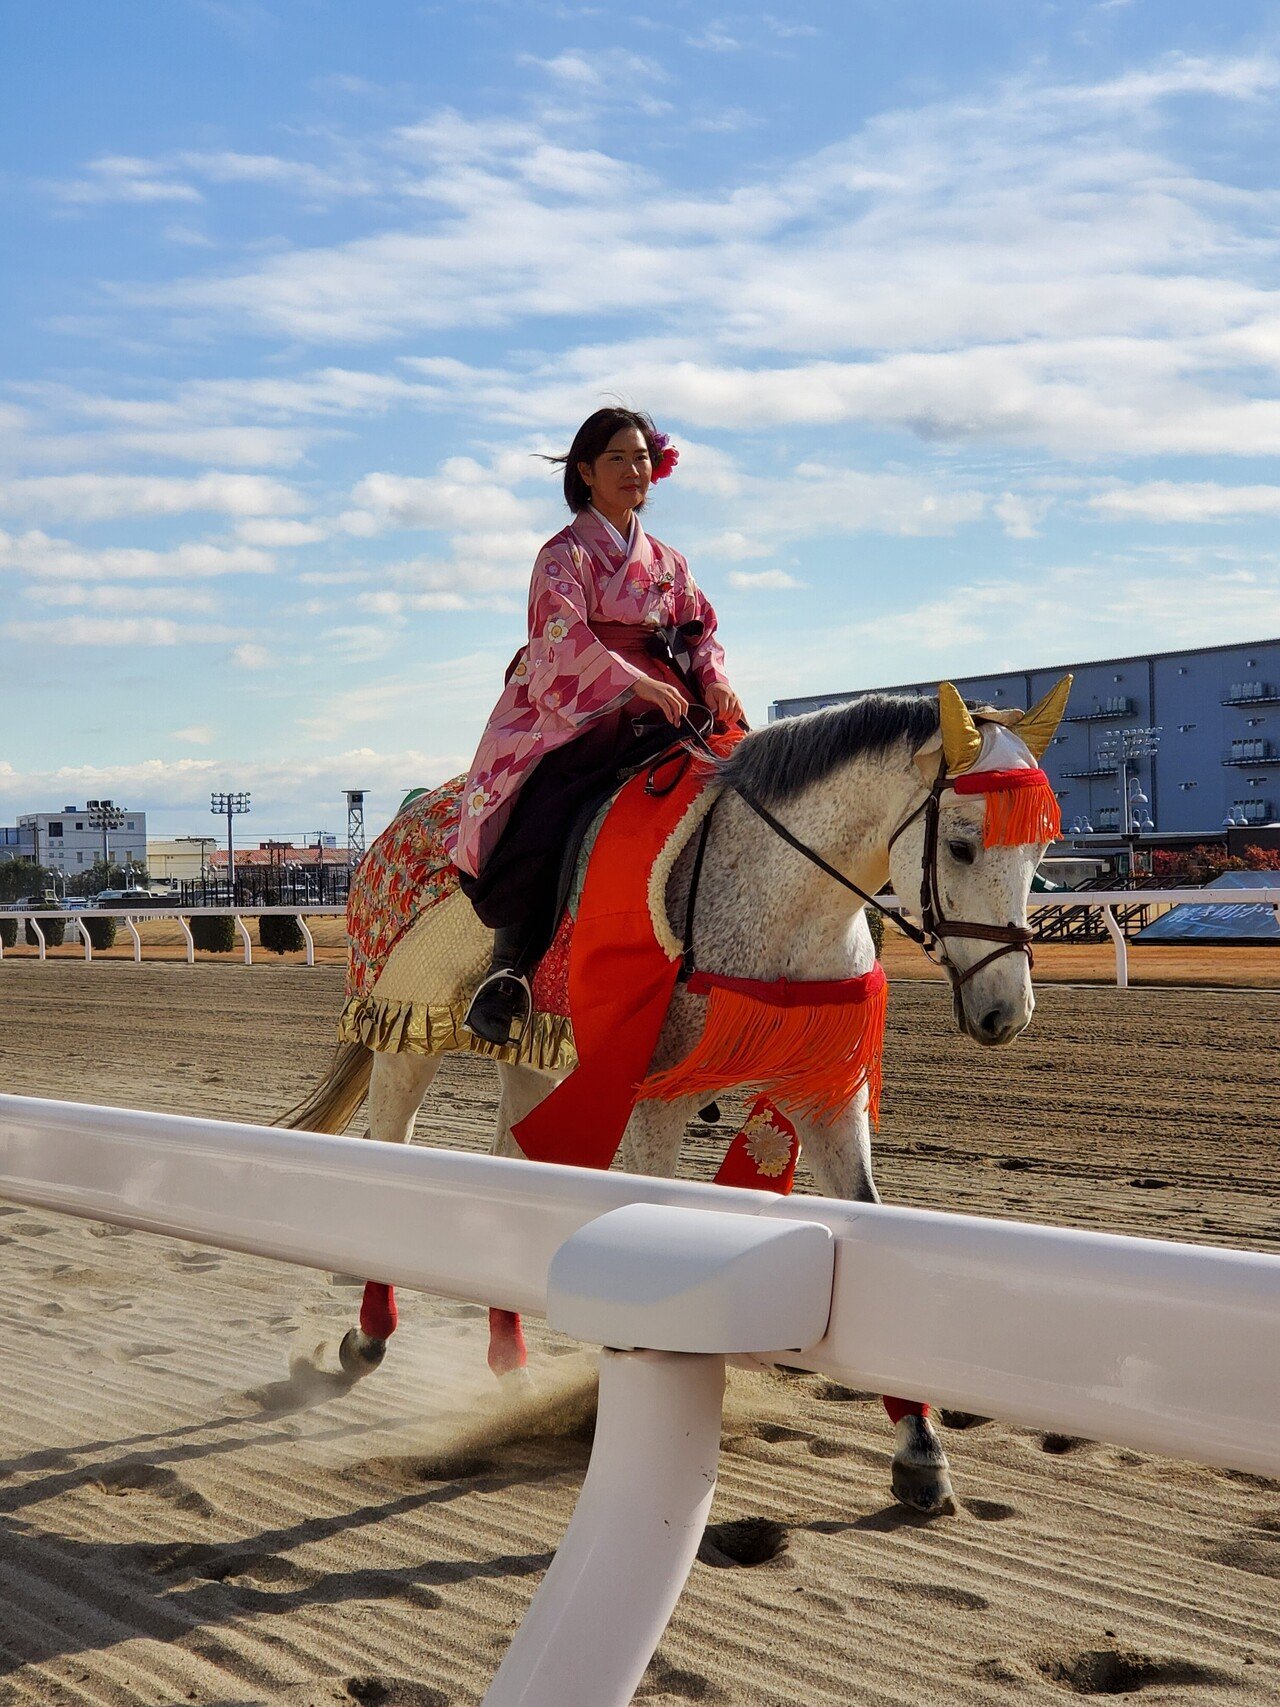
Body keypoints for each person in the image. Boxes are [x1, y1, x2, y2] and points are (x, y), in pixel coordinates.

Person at [453, 406, 744, 1046]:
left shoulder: (669, 562)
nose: (633, 470)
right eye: (617, 458)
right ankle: (510, 971)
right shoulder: (562, 556)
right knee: (550, 805)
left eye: (641, 458)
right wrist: (626, 682)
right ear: (585, 473)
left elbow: (700, 632)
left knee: (743, 790)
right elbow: (558, 635)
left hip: (667, 695)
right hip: (580, 697)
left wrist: (713, 674)